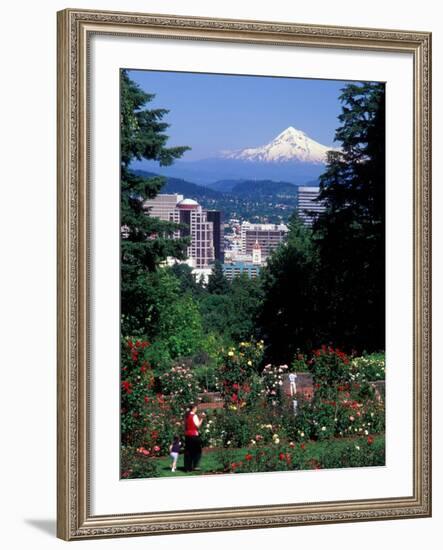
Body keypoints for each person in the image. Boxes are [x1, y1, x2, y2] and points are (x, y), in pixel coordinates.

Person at [183, 403, 205, 472]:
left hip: (187, 435)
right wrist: (202, 418)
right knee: (198, 451)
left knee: (188, 451)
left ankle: (187, 468)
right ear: (194, 408)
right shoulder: (194, 416)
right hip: (193, 435)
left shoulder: (186, 415)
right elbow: (198, 426)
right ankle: (195, 466)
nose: (196, 409)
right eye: (196, 408)